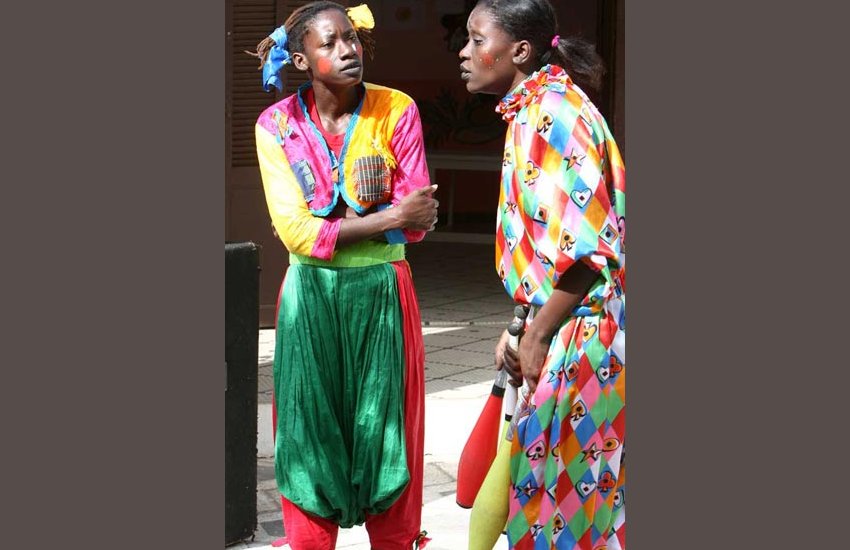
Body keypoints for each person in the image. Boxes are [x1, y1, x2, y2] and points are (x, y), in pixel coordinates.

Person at [249, 3, 438, 549]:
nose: (348, 49)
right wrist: (386, 218)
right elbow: (295, 233)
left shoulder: (395, 109)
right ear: (302, 60)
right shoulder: (275, 125)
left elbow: (418, 223)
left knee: (389, 434)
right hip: (308, 295)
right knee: (307, 434)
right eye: (329, 42)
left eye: (351, 38)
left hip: (382, 291)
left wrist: (369, 224)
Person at [458, 1, 626, 548]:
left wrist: (537, 334)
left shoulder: (555, 114)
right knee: (538, 492)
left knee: (567, 504)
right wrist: (522, 324)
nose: (464, 52)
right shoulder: (530, 109)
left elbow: (588, 249)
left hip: (583, 336)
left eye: (477, 39)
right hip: (557, 325)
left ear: (520, 51)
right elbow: (546, 244)